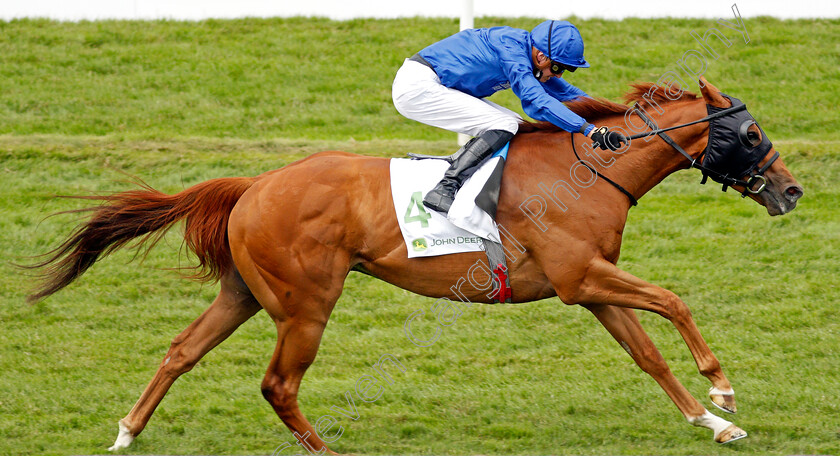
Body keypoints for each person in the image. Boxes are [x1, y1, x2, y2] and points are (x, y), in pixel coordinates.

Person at [392, 20, 627, 214]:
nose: (560, 74)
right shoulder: (512, 50)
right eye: (558, 68)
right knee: (503, 123)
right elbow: (536, 100)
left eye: (566, 69)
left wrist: (617, 116)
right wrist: (588, 129)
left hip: (437, 84)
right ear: (542, 57)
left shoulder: (527, 52)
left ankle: (481, 187)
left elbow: (568, 93)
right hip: (417, 86)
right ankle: (445, 188)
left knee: (517, 125)